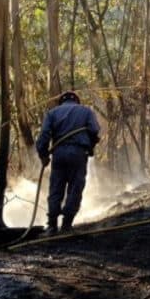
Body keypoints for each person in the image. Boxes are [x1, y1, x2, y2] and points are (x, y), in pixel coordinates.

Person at [36, 90, 101, 234]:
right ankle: (66, 225)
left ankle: (52, 226)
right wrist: (90, 146)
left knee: (56, 188)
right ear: (77, 101)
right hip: (78, 153)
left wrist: (43, 155)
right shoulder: (86, 111)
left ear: (61, 101)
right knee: (75, 188)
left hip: (58, 154)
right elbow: (95, 130)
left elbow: (44, 135)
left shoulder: (52, 113)